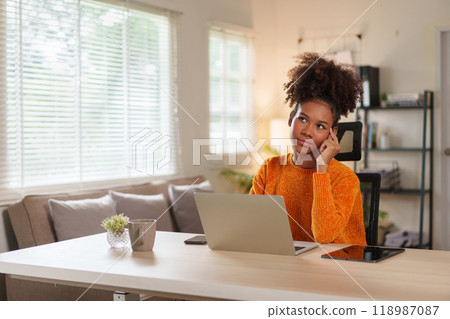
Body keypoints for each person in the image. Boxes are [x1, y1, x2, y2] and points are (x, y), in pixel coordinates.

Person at [250, 52, 366, 245]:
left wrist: (322, 169)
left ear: (332, 133)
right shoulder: (270, 169)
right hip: (285, 262)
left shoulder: (345, 179)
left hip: (336, 266)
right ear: (290, 119)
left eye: (320, 126)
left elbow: (323, 236)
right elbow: (250, 225)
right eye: (303, 119)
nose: (308, 132)